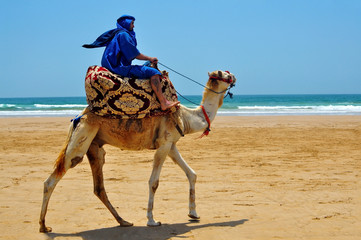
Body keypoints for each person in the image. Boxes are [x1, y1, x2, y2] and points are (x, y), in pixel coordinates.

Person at [83, 15, 179, 110]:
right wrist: (150, 58)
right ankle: (163, 102)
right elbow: (135, 54)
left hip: (116, 66)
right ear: (126, 23)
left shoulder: (118, 34)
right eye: (132, 23)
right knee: (154, 73)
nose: (133, 26)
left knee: (147, 65)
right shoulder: (123, 35)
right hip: (119, 68)